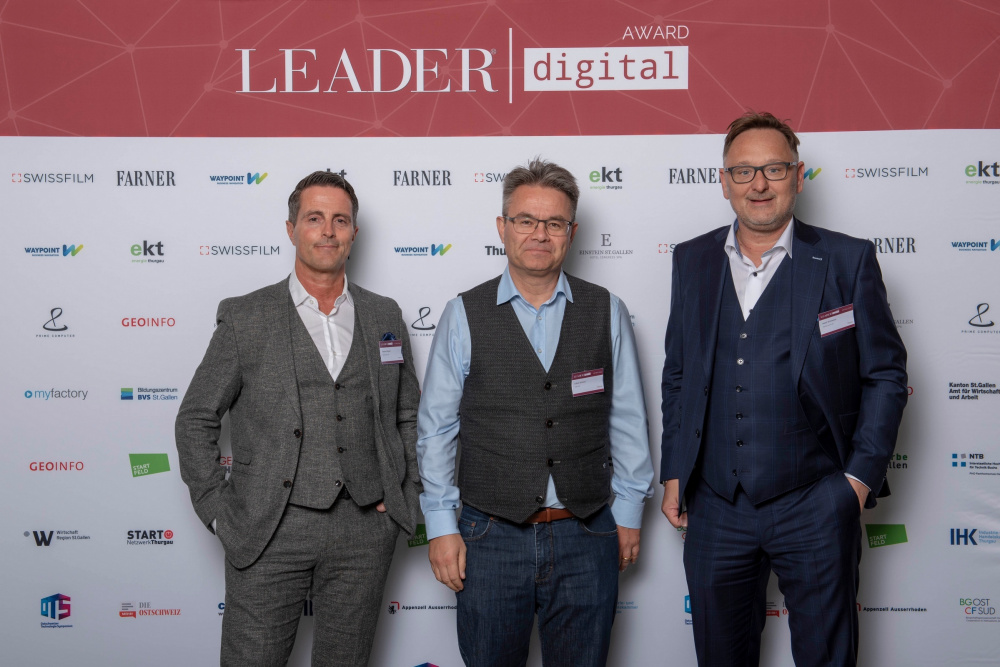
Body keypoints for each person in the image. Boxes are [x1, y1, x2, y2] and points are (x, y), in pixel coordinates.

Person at [660, 111, 908, 667]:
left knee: (826, 657)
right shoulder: (691, 260)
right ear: (723, 182)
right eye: (743, 171)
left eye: (774, 168)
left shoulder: (847, 259)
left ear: (798, 176)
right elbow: (679, 373)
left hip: (816, 499)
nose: (759, 184)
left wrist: (856, 481)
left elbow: (886, 375)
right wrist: (676, 469)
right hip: (716, 504)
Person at [175, 170, 421, 666]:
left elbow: (407, 414)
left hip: (364, 530)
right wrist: (220, 511)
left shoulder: (385, 315)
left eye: (340, 220)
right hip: (268, 527)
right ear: (291, 229)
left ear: (354, 232)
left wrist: (405, 499)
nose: (328, 231)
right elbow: (196, 417)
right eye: (314, 218)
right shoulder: (246, 317)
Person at [417, 158, 655, 667]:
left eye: (554, 223)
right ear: (502, 227)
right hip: (489, 536)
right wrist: (440, 524)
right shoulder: (462, 313)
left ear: (572, 232)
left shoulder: (607, 310)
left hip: (587, 532)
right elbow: (436, 429)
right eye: (526, 220)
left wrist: (630, 512)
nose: (539, 234)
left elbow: (628, 418)